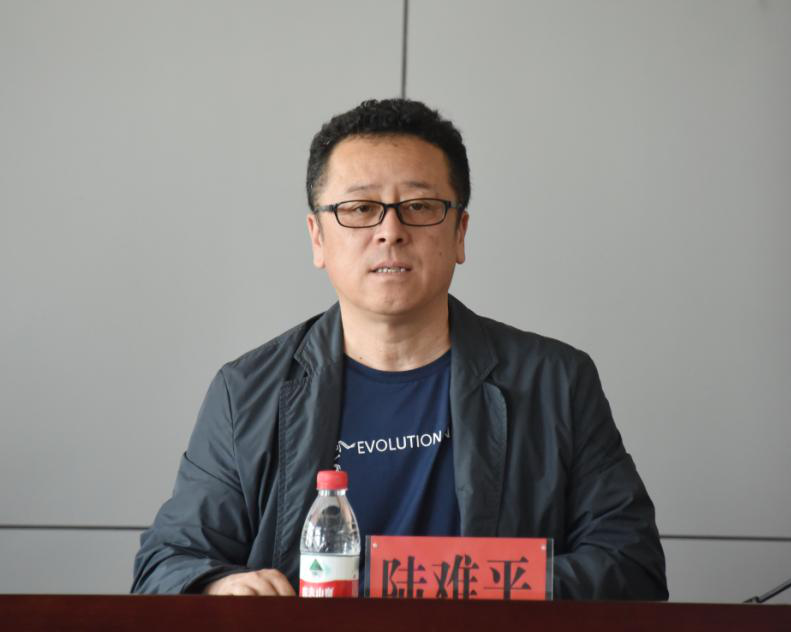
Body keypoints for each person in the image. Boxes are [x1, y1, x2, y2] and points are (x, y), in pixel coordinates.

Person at [131, 99, 668, 600]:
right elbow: (167, 564)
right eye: (360, 208)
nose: (390, 231)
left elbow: (631, 566)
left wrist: (466, 588)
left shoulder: (555, 381)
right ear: (317, 238)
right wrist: (218, 589)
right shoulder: (247, 391)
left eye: (419, 206)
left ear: (460, 232)